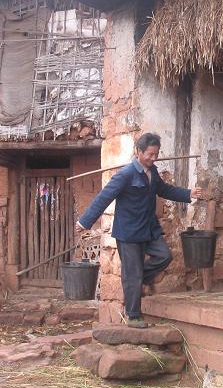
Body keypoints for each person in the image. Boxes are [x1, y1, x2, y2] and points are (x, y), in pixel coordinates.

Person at [76, 133, 203, 328]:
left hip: (149, 228)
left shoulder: (153, 172)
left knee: (164, 256)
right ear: (139, 152)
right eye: (150, 154)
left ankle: (138, 280)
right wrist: (85, 221)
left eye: (156, 154)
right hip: (128, 233)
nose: (153, 158)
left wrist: (188, 194)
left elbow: (165, 190)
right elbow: (104, 197)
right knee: (132, 273)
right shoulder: (125, 175)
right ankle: (133, 315)